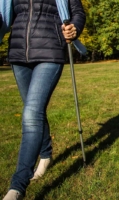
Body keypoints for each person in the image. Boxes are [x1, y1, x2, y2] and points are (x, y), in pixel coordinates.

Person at [1, 0, 86, 199]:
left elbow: (78, 12)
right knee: (34, 111)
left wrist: (75, 28)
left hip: (50, 51)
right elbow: (5, 15)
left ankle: (17, 187)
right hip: (19, 53)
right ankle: (46, 154)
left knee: (31, 114)